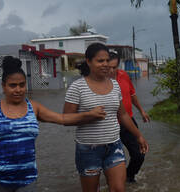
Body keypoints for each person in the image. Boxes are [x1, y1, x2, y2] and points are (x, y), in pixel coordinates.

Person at [0, 56, 106, 192]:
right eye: (12, 85)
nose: (18, 90)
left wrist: (89, 115)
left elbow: (62, 119)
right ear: (3, 86)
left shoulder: (33, 107)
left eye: (22, 85)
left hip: (27, 179)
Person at [63, 43, 149, 192]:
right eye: (100, 61)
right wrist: (88, 115)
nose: (105, 64)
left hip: (114, 146)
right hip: (88, 149)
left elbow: (122, 115)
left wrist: (139, 136)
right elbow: (66, 119)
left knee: (118, 189)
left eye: (107, 60)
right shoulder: (77, 87)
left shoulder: (115, 85)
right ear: (89, 62)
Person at [108, 51, 151, 183]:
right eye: (108, 67)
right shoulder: (99, 82)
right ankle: (114, 181)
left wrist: (142, 111)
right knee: (112, 161)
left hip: (127, 121)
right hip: (109, 126)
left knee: (139, 155)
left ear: (118, 65)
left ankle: (128, 177)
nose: (110, 70)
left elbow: (132, 94)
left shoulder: (123, 75)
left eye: (114, 67)